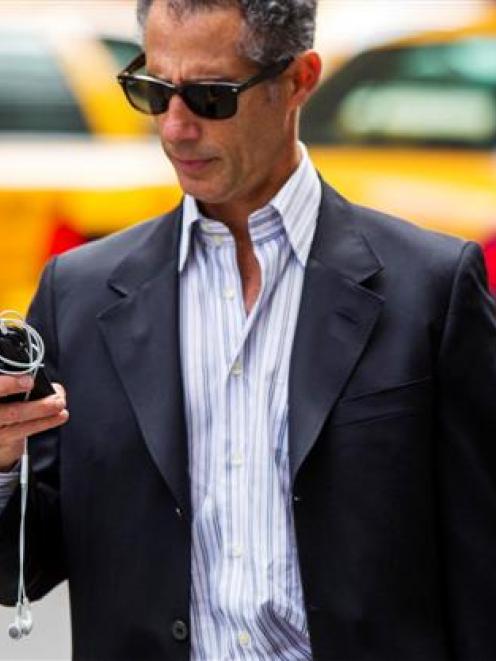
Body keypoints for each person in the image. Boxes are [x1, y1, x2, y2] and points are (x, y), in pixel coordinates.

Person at [1, 0, 496, 658]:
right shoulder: (80, 295)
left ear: (299, 79)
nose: (175, 128)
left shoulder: (430, 287)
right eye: (153, 89)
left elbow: (484, 567)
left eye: (210, 96)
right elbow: (22, 566)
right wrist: (5, 465)